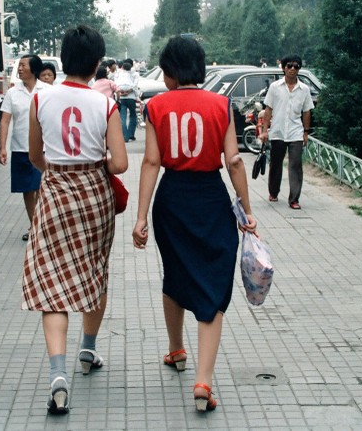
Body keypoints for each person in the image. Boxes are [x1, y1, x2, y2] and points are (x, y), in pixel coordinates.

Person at [131, 36, 257, 413]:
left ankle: (176, 350)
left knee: (176, 272)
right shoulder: (220, 104)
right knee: (212, 283)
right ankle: (203, 381)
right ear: (199, 69)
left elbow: (151, 162)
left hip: (171, 200)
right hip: (210, 198)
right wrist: (247, 212)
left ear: (169, 72)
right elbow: (234, 161)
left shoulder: (156, 106)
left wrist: (140, 217)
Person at [23, 24, 127, 415]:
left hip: (54, 193)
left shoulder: (40, 98)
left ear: (62, 60)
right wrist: (94, 162)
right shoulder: (105, 104)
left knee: (53, 280)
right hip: (94, 196)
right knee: (93, 271)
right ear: (98, 64)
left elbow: (35, 156)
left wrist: (57, 169)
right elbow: (119, 162)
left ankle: (58, 375)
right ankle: (89, 349)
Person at [0, 55, 50, 241]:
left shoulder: (47, 91)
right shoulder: (13, 93)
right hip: (20, 148)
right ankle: (34, 225)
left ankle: (42, 224)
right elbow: (5, 121)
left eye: (22, 65)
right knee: (28, 189)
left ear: (34, 69)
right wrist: (2, 147)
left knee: (41, 188)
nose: (19, 69)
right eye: (19, 65)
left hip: (45, 149)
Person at [260, 54, 314, 208]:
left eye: (296, 66)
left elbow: (307, 112)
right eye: (289, 66)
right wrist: (264, 131)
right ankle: (274, 191)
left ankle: (294, 199)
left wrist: (306, 132)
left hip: (295, 132)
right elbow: (268, 109)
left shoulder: (304, 89)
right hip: (277, 131)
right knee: (276, 163)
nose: (292, 69)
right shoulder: (275, 87)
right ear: (283, 68)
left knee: (296, 165)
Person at [115, 58, 140, 142]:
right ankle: (131, 135)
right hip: (131, 98)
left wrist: (122, 92)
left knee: (122, 117)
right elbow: (135, 85)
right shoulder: (135, 74)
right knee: (133, 115)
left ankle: (124, 137)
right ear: (131, 65)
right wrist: (129, 91)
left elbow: (116, 84)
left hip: (122, 98)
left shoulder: (119, 73)